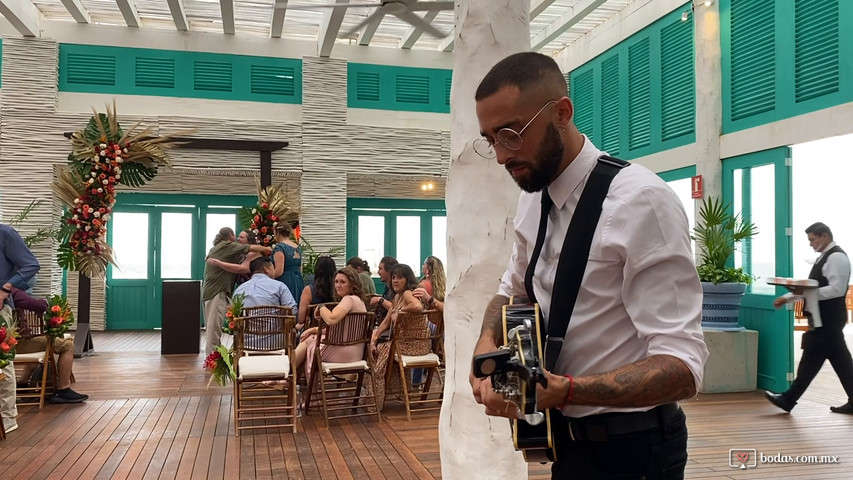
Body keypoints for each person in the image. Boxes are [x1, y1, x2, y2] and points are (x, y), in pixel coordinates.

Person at [468, 52, 708, 478]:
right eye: (490, 140)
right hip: (565, 446)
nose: (502, 156)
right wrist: (485, 348)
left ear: (562, 113)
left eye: (511, 133)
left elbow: (683, 368)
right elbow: (512, 293)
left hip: (635, 451)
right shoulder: (532, 198)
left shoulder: (640, 202)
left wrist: (564, 391)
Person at [767, 222, 853, 414]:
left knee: (810, 359)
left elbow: (837, 290)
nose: (811, 244)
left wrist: (799, 293)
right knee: (842, 363)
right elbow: (811, 288)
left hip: (829, 319)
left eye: (813, 239)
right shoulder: (823, 257)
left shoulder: (837, 257)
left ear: (825, 236)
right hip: (824, 319)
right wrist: (789, 297)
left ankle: (788, 399)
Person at [8, 287, 88, 404]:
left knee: (37, 342)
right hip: (17, 344)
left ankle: (22, 384)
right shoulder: (11, 292)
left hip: (6, 344)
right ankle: (63, 389)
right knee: (67, 345)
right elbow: (40, 306)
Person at [203, 227, 271, 353]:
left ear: (249, 240)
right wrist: (267, 248)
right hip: (219, 292)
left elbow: (243, 266)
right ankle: (212, 360)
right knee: (214, 328)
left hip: (248, 293)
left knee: (216, 328)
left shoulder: (237, 251)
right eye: (237, 236)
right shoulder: (229, 247)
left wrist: (267, 248)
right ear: (231, 235)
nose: (238, 239)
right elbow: (240, 267)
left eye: (242, 237)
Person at [1, 223, 41, 433]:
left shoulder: (5, 233)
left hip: (0, 309)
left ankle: (7, 417)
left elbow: (31, 265)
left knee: (2, 361)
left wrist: (5, 289)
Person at [292, 267, 367, 377]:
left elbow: (331, 319)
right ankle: (289, 377)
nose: (338, 285)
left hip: (343, 352)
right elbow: (341, 330)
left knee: (308, 343)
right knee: (311, 338)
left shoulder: (349, 300)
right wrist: (312, 329)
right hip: (356, 352)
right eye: (336, 281)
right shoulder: (359, 301)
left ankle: (288, 377)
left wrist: (322, 307)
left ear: (352, 284)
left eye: (343, 282)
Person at [369, 263, 424, 411]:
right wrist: (375, 337)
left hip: (414, 345)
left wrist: (400, 311)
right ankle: (382, 395)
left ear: (407, 280)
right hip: (404, 343)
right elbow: (386, 322)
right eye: (393, 277)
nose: (395, 281)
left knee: (378, 353)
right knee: (376, 346)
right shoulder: (397, 297)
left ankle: (376, 400)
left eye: (400, 278)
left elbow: (418, 307)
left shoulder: (407, 293)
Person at [297, 256, 337, 329]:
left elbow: (301, 319)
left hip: (315, 332)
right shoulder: (339, 289)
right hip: (335, 331)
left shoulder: (309, 290)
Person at [271, 223, 304, 309]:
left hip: (285, 280)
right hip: (297, 280)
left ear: (277, 233)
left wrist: (267, 279)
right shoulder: (297, 247)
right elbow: (300, 268)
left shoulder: (280, 247)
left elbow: (279, 270)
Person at [369, 256, 398, 328]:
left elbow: (396, 308)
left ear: (389, 270)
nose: (378, 272)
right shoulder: (387, 287)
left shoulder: (397, 288)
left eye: (380, 269)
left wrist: (380, 300)